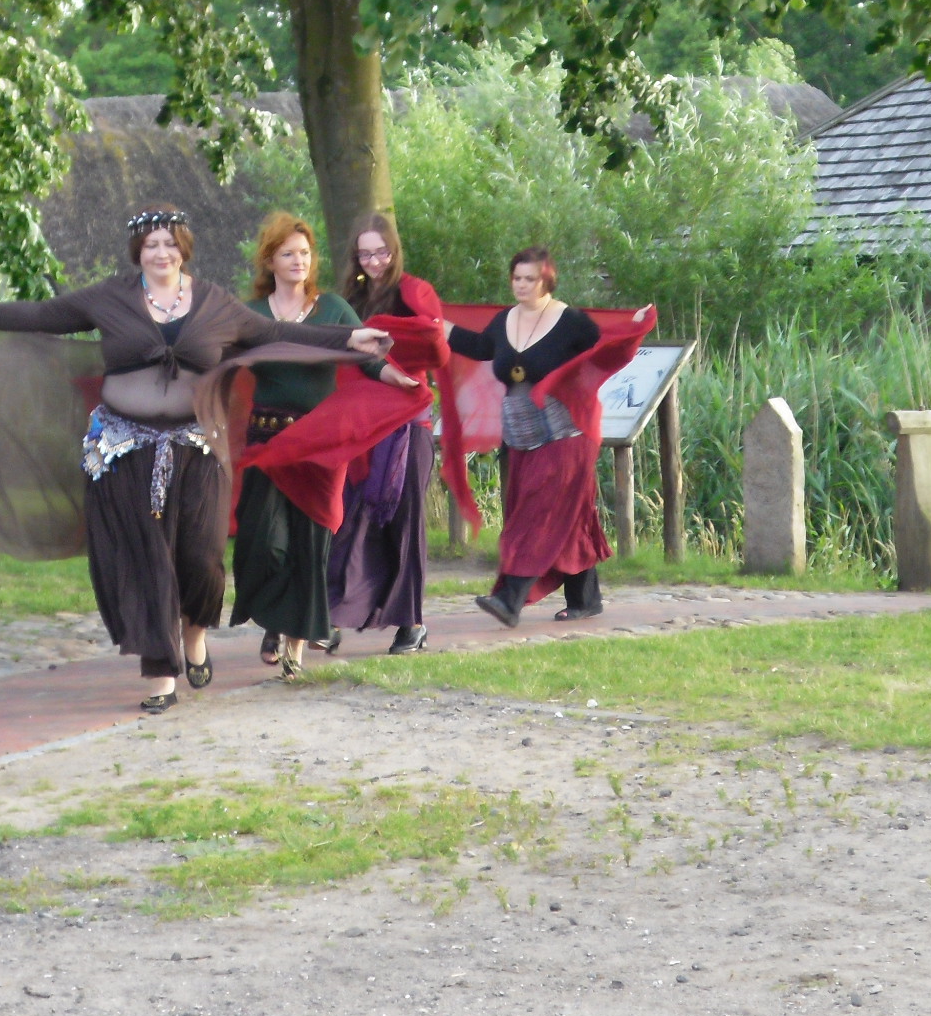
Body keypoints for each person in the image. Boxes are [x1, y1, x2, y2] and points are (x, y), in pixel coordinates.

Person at [0, 208, 392, 712]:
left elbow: (273, 333)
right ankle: (161, 673)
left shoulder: (213, 302)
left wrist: (349, 338)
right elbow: (43, 315)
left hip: (196, 450)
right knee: (147, 561)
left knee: (201, 559)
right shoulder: (111, 297)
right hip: (125, 453)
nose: (161, 253)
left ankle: (194, 633)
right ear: (137, 253)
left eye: (169, 243)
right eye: (150, 245)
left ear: (184, 249)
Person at [231, 213, 420, 680]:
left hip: (320, 443)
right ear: (269, 260)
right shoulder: (251, 314)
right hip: (268, 442)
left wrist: (394, 376)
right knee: (264, 544)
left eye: (305, 253)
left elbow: (366, 354)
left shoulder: (332, 307)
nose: (299, 261)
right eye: (288, 253)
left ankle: (293, 649)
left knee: (310, 546)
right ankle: (277, 618)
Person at [444, 247, 654, 627]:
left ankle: (510, 597)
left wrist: (632, 325)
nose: (522, 285)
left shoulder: (571, 321)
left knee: (536, 510)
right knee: (568, 514)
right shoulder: (504, 321)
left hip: (567, 432)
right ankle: (585, 598)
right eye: (517, 278)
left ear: (547, 280)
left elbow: (605, 346)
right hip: (522, 435)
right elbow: (480, 347)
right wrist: (438, 328)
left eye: (530, 279)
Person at [328, 214, 450, 655]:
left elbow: (435, 347)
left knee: (405, 522)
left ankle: (411, 623)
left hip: (407, 425)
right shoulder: (350, 299)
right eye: (365, 254)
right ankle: (336, 614)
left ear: (394, 251)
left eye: (381, 252)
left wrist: (390, 338)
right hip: (363, 426)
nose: (374, 261)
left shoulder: (414, 291)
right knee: (351, 519)